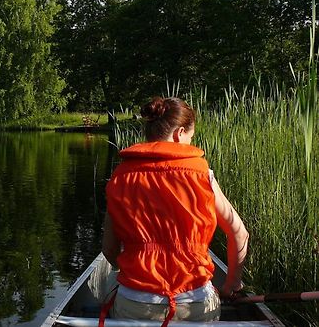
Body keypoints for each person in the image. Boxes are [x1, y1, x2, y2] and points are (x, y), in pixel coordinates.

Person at [101, 96, 249, 325]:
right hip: (195, 303)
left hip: (136, 303)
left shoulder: (121, 176)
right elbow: (239, 234)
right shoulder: (203, 175)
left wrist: (136, 270)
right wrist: (231, 285)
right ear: (180, 133)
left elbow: (109, 250)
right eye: (191, 138)